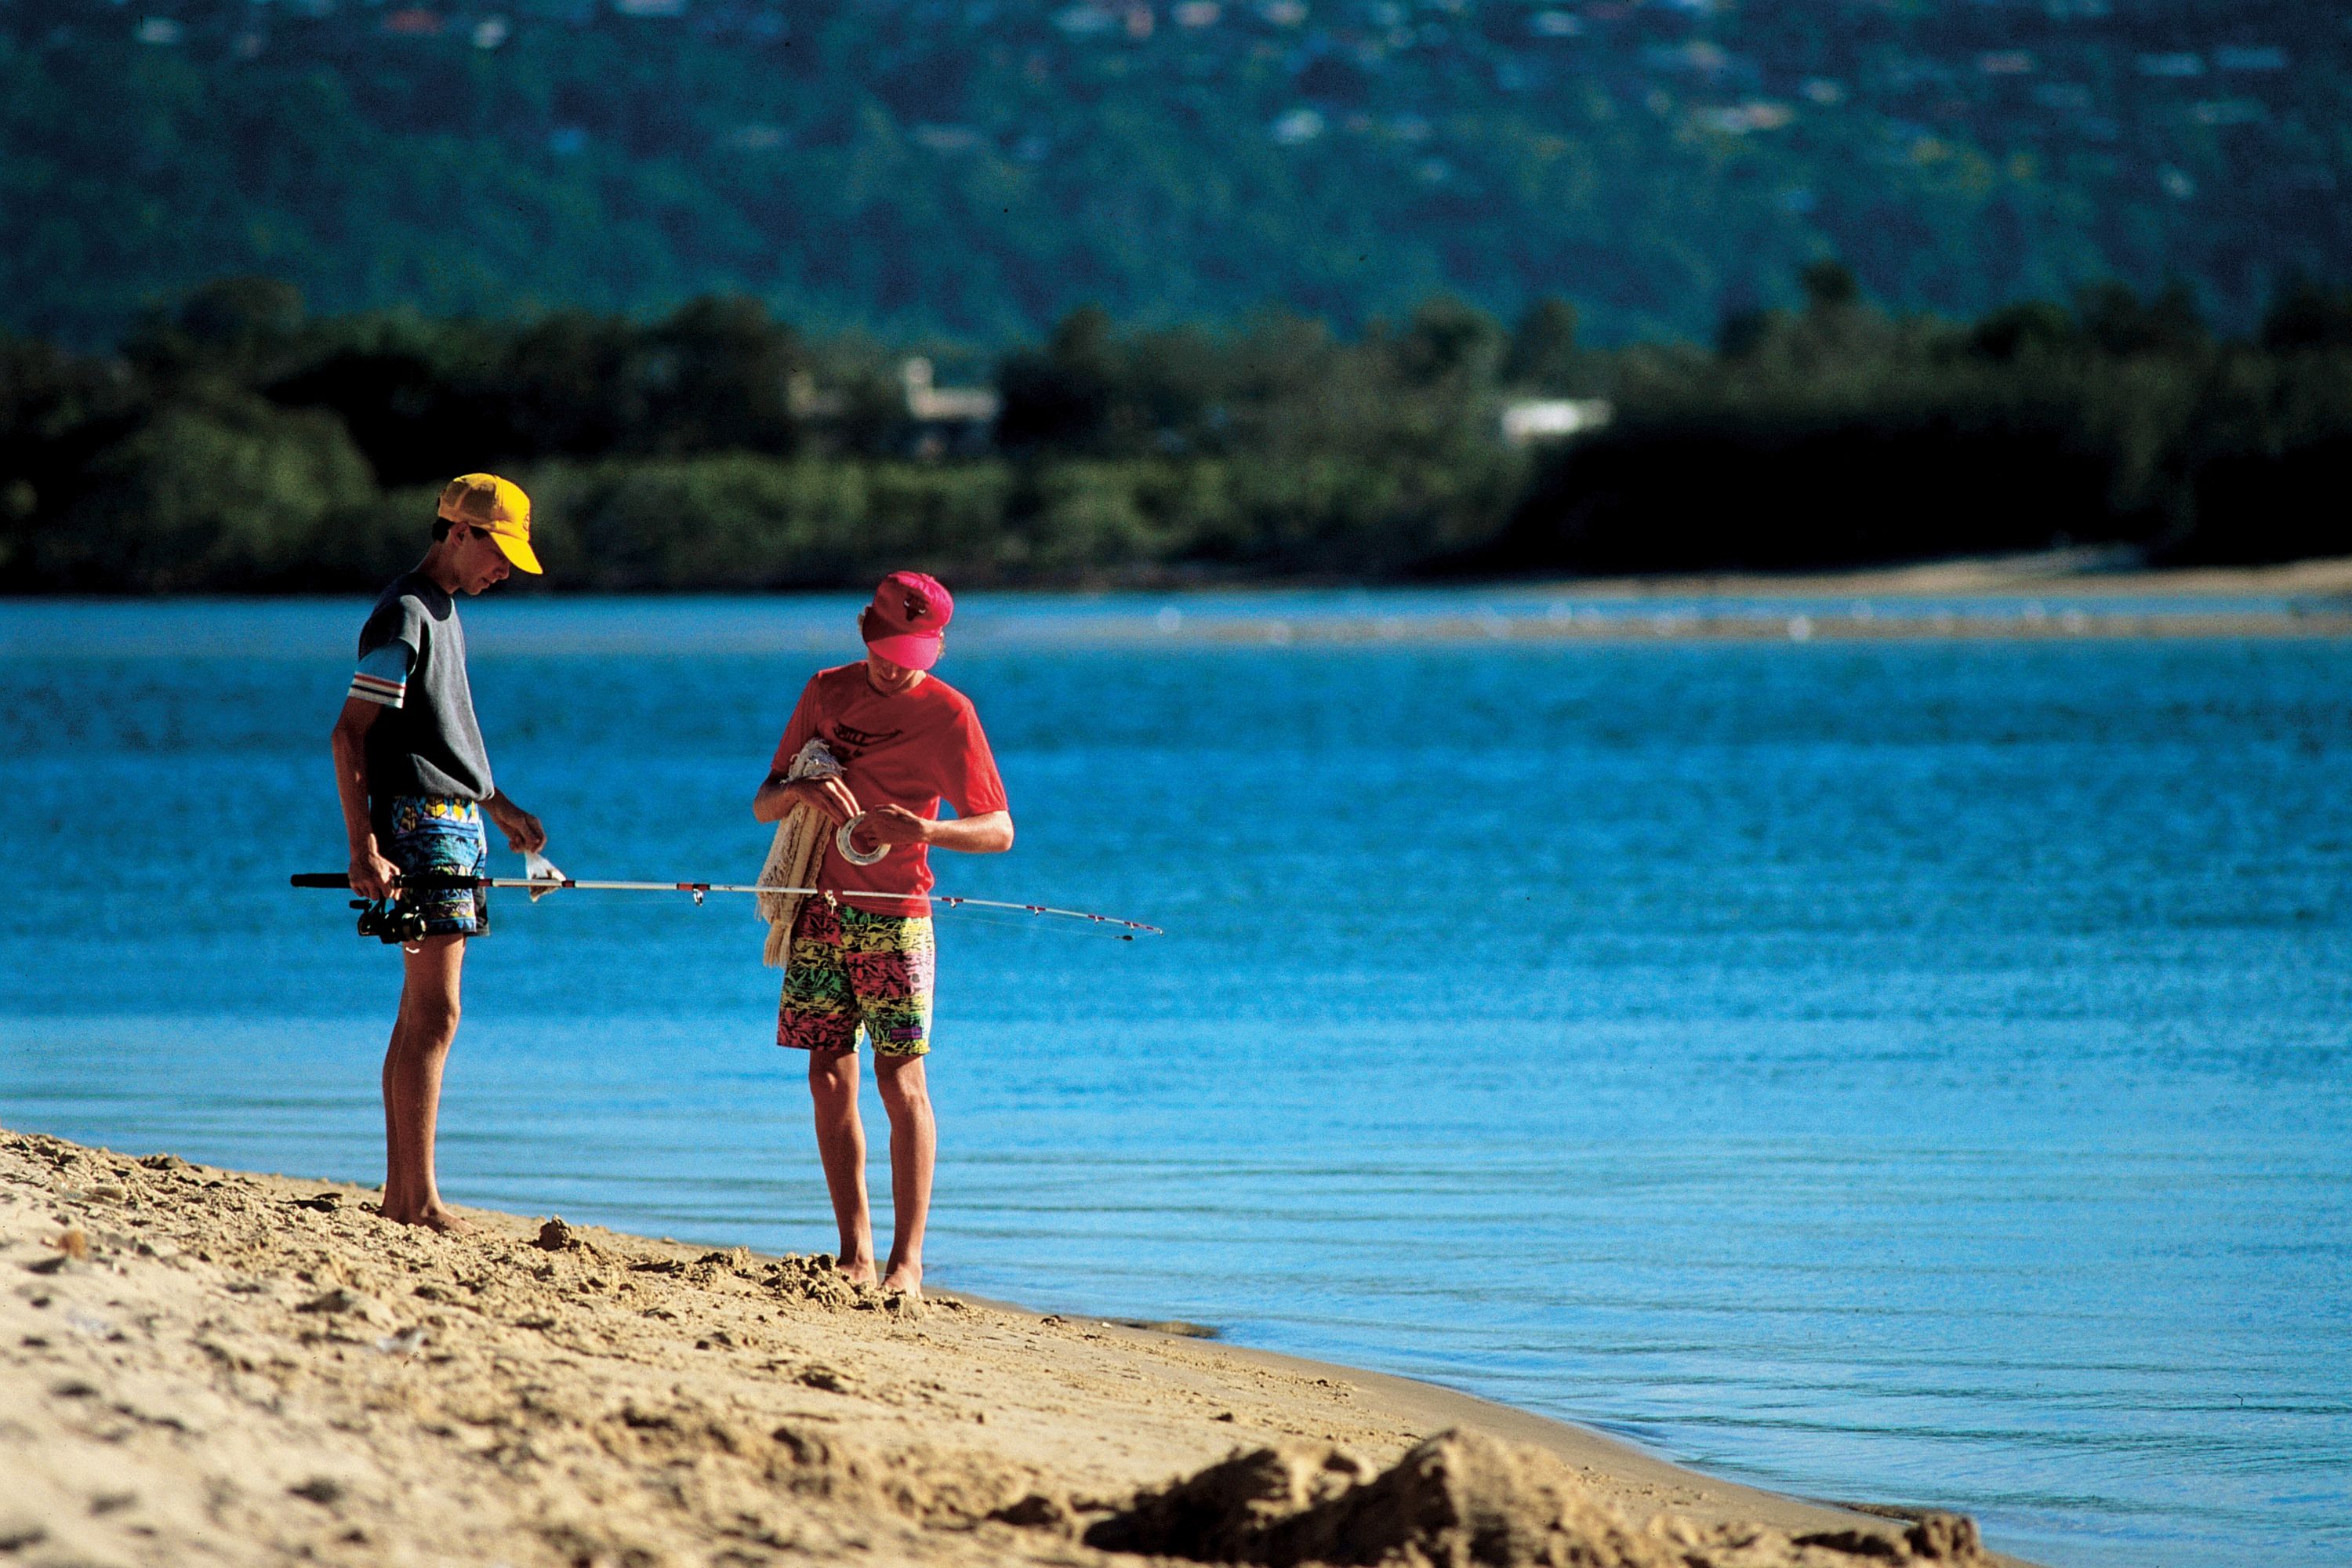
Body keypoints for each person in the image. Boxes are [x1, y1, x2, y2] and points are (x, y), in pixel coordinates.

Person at [753, 572, 1013, 1297]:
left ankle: (908, 1262)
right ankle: (854, 1251)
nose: (895, 665)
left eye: (911, 653)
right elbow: (764, 802)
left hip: (898, 918)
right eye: (885, 647)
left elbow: (1000, 829)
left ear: (934, 647)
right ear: (866, 628)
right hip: (818, 910)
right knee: (825, 1075)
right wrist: (801, 789)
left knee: (900, 1080)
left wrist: (928, 828)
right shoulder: (825, 689)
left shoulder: (951, 713)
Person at [328, 474, 552, 1232]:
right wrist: (363, 846)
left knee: (419, 1012)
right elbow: (350, 732)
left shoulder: (443, 612)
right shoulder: (405, 613)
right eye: (501, 554)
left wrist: (501, 807)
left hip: (453, 818)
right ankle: (416, 1200)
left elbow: (436, 740)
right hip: (420, 825)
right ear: (460, 532)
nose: (505, 572)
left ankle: (402, 1196)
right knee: (436, 1010)